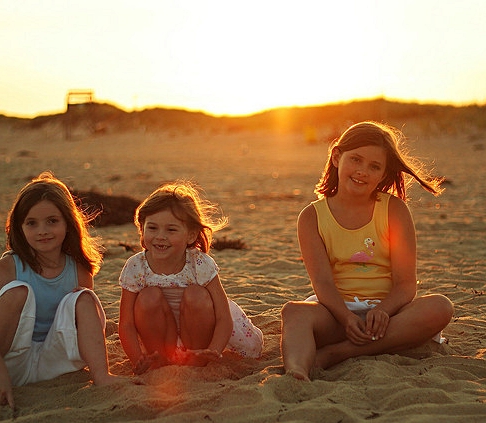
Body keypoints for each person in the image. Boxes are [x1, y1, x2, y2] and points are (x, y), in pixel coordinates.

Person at [281, 121, 454, 381]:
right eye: (356, 160)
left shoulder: (394, 210)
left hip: (389, 317)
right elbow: (323, 283)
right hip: (336, 313)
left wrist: (383, 310)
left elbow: (406, 284)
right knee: (293, 313)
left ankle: (337, 354)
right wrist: (347, 318)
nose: (363, 171)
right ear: (337, 157)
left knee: (441, 307)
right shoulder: (311, 217)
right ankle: (297, 372)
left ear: (384, 174)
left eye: (374, 166)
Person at [0, 171, 116, 409]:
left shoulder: (79, 269)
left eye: (52, 221)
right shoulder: (8, 266)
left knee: (85, 298)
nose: (42, 231)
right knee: (17, 292)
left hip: (56, 361)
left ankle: (102, 376)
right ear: (19, 227)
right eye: (32, 223)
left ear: (68, 223)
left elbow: (83, 324)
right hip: (9, 362)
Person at [118, 181, 263, 374]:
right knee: (148, 296)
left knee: (197, 294)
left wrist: (212, 352)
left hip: (199, 328)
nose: (160, 236)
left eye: (171, 230)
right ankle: (160, 360)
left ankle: (196, 358)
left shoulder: (199, 263)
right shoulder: (136, 266)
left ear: (190, 235)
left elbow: (223, 316)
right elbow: (126, 323)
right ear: (142, 230)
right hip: (159, 333)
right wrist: (137, 361)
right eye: (152, 228)